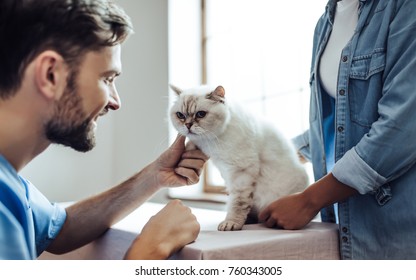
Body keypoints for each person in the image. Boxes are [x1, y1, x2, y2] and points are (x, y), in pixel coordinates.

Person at [0, 0, 208, 260]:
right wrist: (152, 249)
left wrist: (155, 175)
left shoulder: (9, 187)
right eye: (107, 79)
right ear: (51, 74)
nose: (115, 102)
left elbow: (59, 230)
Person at [259, 0, 416, 259]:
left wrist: (309, 200)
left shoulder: (404, 7)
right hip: (346, 226)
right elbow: (335, 125)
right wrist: (254, 156)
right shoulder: (324, 24)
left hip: (399, 229)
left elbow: (401, 129)